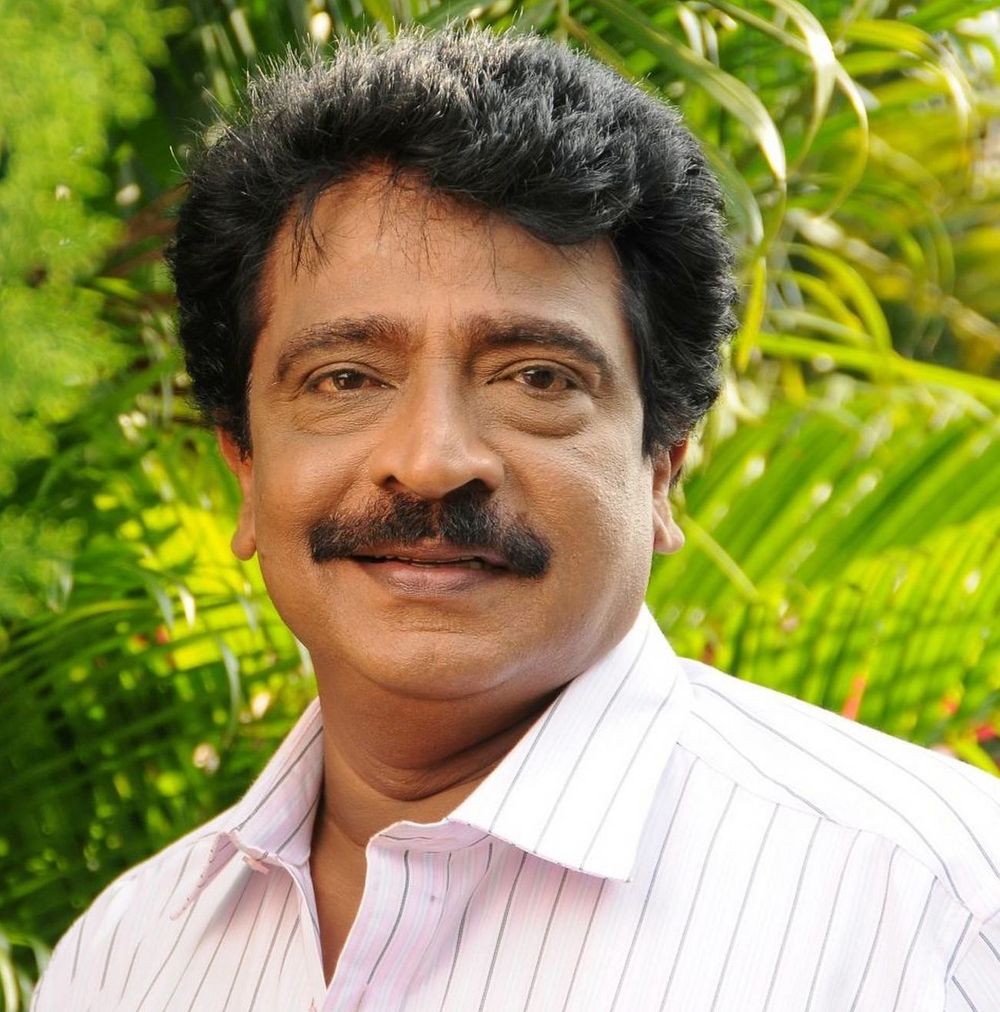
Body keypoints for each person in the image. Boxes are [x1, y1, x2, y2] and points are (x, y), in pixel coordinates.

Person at [32, 28, 1000, 1012]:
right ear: (244, 463)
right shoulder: (125, 959)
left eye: (536, 377)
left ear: (663, 462)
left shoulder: (932, 913)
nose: (430, 460)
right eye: (345, 378)